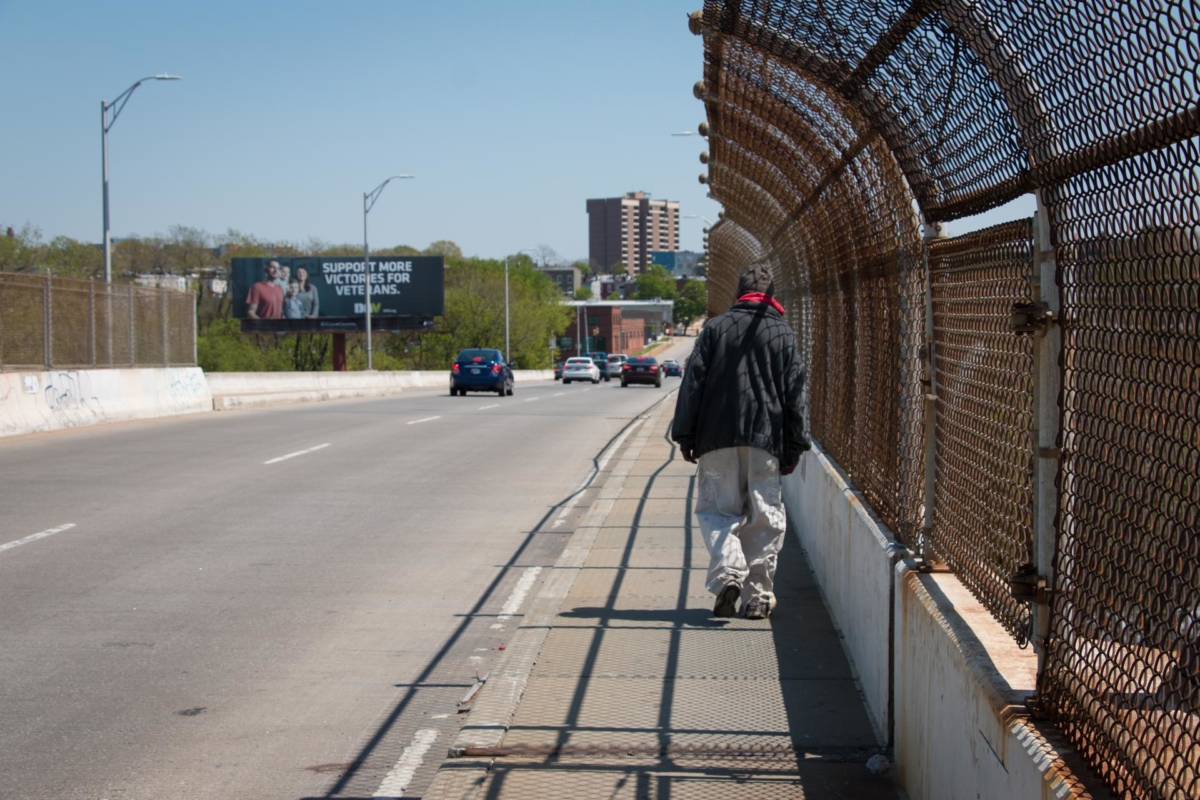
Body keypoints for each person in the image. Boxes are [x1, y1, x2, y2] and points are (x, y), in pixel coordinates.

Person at [671, 264, 809, 620]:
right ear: (771, 296)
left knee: (718, 511)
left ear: (737, 294)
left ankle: (729, 572)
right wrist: (795, 444)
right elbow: (796, 394)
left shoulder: (715, 329)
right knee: (764, 517)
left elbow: (693, 385)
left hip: (716, 437)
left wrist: (685, 434)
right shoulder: (782, 334)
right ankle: (758, 597)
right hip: (766, 438)